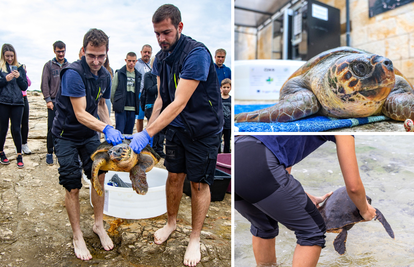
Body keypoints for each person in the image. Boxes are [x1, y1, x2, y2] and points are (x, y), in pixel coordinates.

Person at [128, 4, 224, 266]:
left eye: (166, 32)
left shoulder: (197, 55)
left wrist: (147, 133)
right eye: (157, 33)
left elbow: (179, 102)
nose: (161, 39)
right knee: (174, 177)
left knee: (198, 184)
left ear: (180, 27)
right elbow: (161, 99)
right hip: (178, 128)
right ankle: (171, 222)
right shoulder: (160, 58)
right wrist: (147, 132)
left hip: (203, 130)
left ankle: (194, 237)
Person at [234, 135, 377, 267]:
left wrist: (299, 195)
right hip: (260, 161)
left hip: (237, 156)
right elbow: (353, 187)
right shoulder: (344, 129)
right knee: (312, 230)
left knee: (264, 226)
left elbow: (282, 155)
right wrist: (365, 210)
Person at [51, 28, 123, 261]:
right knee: (72, 184)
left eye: (101, 56)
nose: (96, 61)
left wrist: (112, 127)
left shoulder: (105, 75)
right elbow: (80, 113)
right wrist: (105, 129)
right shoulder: (72, 73)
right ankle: (77, 235)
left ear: (106, 53)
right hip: (66, 134)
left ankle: (98, 225)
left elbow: (101, 105)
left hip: (89, 134)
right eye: (91, 55)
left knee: (99, 175)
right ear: (83, 51)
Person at [41, 40, 69, 165]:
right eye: (59, 51)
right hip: (52, 102)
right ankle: (49, 152)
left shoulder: (69, 65)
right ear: (54, 51)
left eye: (63, 51)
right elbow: (44, 83)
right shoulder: (49, 65)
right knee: (51, 128)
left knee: (65, 128)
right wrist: (48, 99)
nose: (61, 54)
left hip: (66, 102)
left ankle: (61, 151)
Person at [0, 44, 28, 168]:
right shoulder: (1, 68)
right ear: (3, 56)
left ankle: (19, 155)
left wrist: (18, 77)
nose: (10, 58)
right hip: (3, 102)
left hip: (18, 102)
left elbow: (24, 86)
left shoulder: (20, 67)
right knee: (3, 129)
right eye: (7, 56)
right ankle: (1, 152)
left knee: (16, 129)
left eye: (12, 56)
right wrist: (5, 79)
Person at [111, 52, 141, 134]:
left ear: (136, 61)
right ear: (126, 60)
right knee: (119, 132)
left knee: (129, 133)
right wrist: (117, 103)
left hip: (132, 108)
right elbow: (113, 91)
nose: (131, 63)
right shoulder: (119, 73)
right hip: (121, 108)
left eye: (133, 61)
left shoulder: (138, 75)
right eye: (129, 61)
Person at [140, 60, 165, 157]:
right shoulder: (148, 75)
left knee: (162, 128)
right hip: (150, 105)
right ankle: (152, 148)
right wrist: (160, 83)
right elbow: (149, 90)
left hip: (162, 105)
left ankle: (159, 149)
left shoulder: (165, 75)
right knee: (153, 127)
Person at [134, 44, 153, 133]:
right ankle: (139, 134)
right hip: (139, 94)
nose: (147, 54)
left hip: (150, 94)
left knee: (151, 116)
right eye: (145, 52)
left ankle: (148, 135)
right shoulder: (136, 64)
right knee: (140, 117)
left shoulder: (153, 64)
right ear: (141, 52)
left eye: (149, 52)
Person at [219, 78, 231, 153]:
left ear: (230, 88)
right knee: (218, 142)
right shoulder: (218, 99)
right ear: (221, 88)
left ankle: (226, 157)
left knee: (227, 142)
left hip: (228, 124)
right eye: (224, 87)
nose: (226, 89)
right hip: (219, 125)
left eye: (228, 87)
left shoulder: (231, 99)